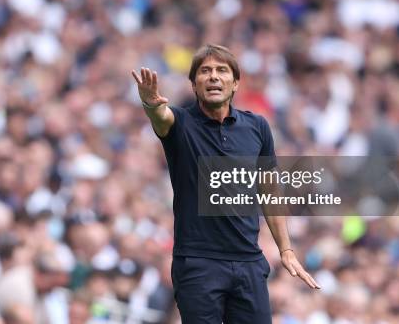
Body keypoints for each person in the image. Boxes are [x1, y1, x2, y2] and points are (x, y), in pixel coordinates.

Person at [131, 44, 320, 323]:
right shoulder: (181, 123)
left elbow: (269, 192)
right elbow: (161, 118)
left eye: (222, 71)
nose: (213, 77)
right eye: (205, 71)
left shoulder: (257, 127)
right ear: (194, 85)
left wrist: (286, 250)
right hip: (198, 263)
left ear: (235, 84)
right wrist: (150, 103)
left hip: (249, 262)